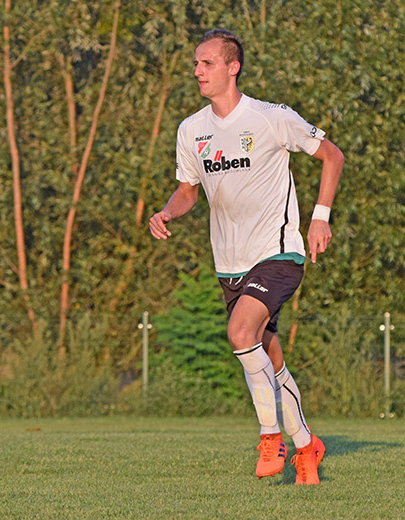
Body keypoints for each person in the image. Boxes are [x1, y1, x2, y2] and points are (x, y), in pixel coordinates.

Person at [149, 28, 344, 484]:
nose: (197, 71)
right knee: (268, 355)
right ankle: (306, 447)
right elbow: (187, 191)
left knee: (240, 332)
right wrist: (166, 212)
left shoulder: (270, 118)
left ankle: (270, 436)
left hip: (278, 253)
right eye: (196, 64)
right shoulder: (191, 130)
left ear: (232, 67)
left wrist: (320, 217)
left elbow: (332, 156)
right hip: (229, 263)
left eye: (207, 63)